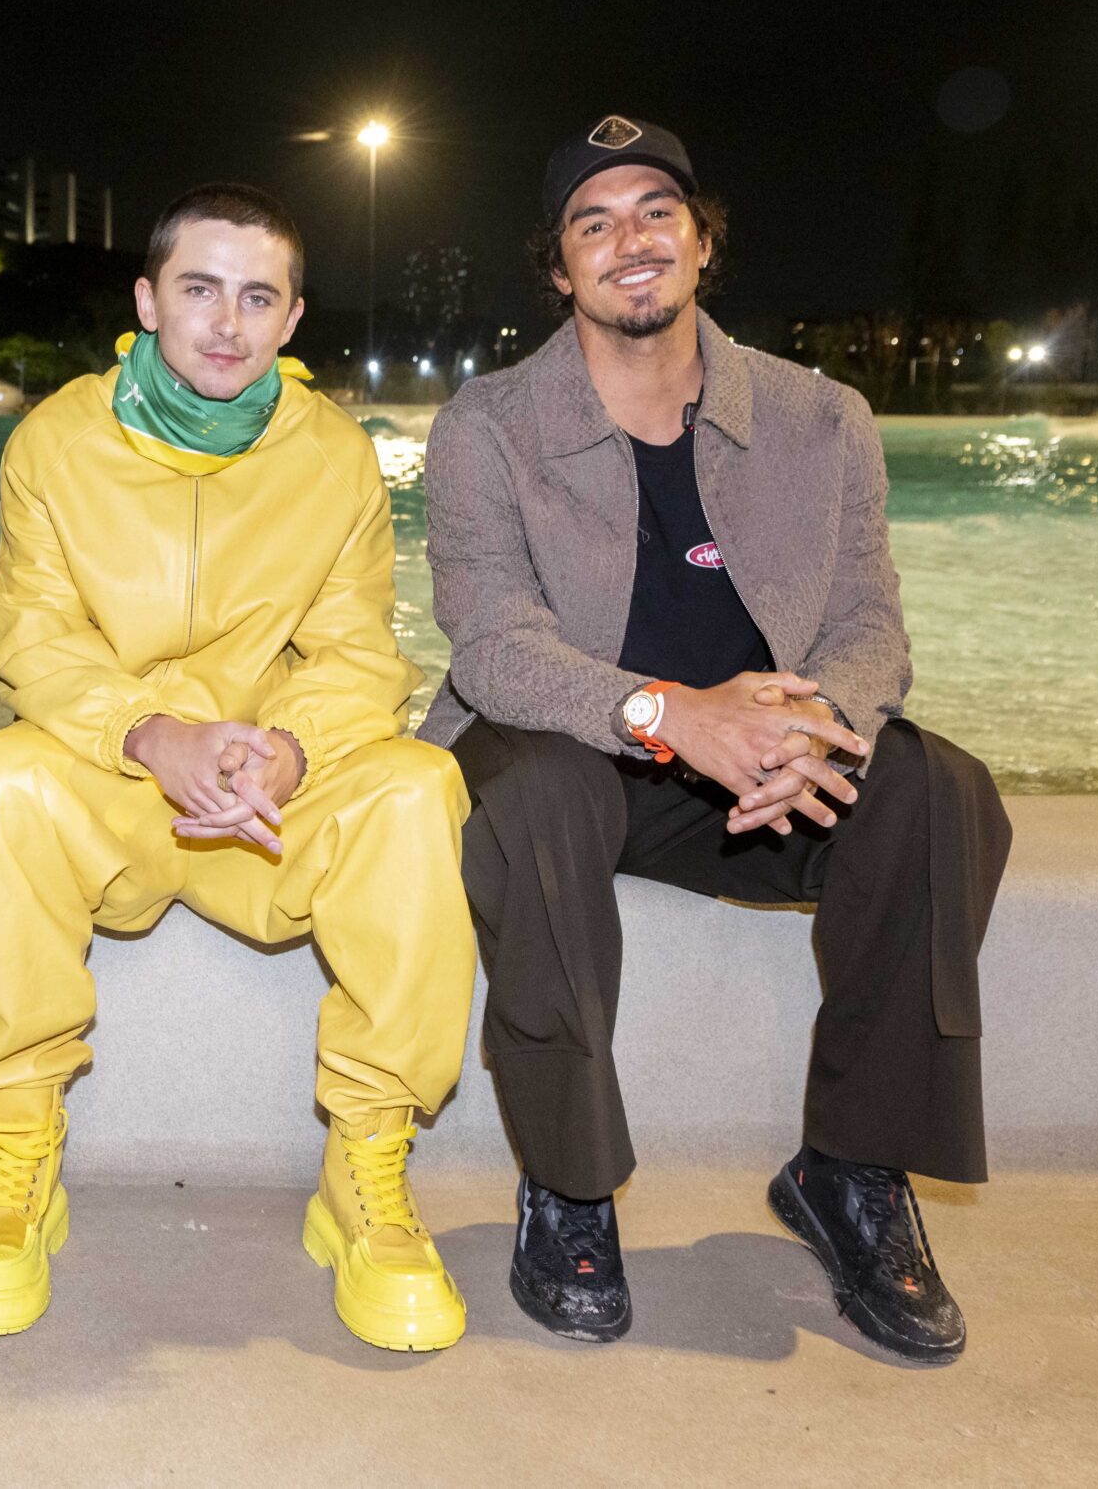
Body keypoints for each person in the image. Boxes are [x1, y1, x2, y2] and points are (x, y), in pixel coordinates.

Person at [421, 118, 1011, 1363]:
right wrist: (672, 714)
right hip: (575, 748)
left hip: (748, 780)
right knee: (533, 800)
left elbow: (866, 621)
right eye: (593, 222)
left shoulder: (820, 417)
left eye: (654, 212)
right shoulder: (488, 425)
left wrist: (814, 724)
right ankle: (570, 1188)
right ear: (558, 267)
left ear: (701, 239)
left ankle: (850, 1174)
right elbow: (492, 646)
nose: (628, 241)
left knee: (934, 789)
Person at [0, 184, 478, 1352]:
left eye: (256, 297)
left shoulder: (334, 458)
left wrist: (285, 748)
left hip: (263, 800)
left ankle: (366, 1168)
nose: (226, 323)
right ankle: (17, 1150)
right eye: (199, 289)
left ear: (291, 318)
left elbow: (356, 649)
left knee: (418, 788)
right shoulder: (54, 442)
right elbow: (31, 634)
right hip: (117, 782)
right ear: (147, 300)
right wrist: (151, 735)